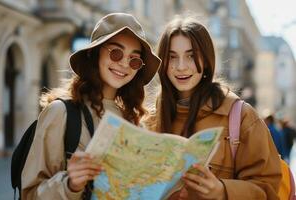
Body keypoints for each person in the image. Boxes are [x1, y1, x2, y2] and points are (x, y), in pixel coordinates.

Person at [21, 13, 161, 199]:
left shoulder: (134, 123)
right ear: (94, 53)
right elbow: (29, 194)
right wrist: (70, 183)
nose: (124, 64)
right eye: (116, 52)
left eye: (134, 60)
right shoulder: (60, 113)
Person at [145, 15, 281, 199]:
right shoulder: (150, 121)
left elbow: (268, 189)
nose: (181, 66)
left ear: (207, 60)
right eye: (172, 57)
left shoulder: (240, 116)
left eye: (191, 56)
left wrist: (222, 191)